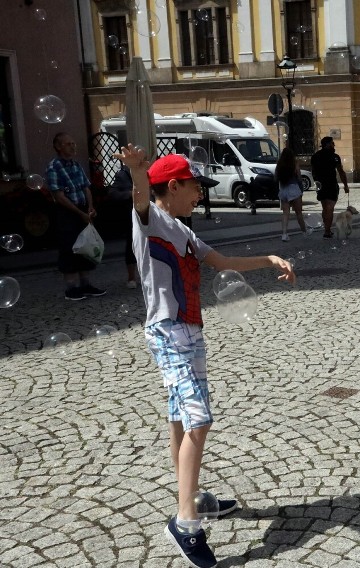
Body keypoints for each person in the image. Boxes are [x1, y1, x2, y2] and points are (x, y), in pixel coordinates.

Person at [114, 145, 295, 568]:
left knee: (180, 415)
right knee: (200, 418)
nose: (200, 195)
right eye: (195, 187)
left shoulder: (185, 231)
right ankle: (185, 522)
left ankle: (191, 494)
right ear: (173, 187)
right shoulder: (151, 219)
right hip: (168, 332)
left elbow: (223, 261)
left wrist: (270, 258)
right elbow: (141, 196)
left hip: (191, 332)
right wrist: (139, 171)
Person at [45, 132, 107, 301]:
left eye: (73, 144)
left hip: (82, 210)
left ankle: (86, 285)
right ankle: (71, 289)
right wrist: (80, 213)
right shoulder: (54, 167)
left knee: (85, 246)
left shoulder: (76, 165)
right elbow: (59, 196)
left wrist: (90, 207)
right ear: (58, 147)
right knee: (69, 248)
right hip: (67, 213)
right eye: (68, 144)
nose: (73, 147)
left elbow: (86, 187)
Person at [310, 136, 349, 238]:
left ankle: (327, 228)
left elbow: (313, 172)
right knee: (330, 208)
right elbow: (341, 172)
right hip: (331, 184)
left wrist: (316, 182)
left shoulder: (315, 156)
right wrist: (345, 185)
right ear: (327, 144)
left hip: (321, 185)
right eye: (332, 143)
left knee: (325, 208)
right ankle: (327, 231)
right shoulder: (335, 157)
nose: (334, 145)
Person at [109, 164, 139, 288]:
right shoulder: (123, 174)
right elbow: (112, 193)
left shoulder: (146, 171)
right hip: (131, 214)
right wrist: (129, 194)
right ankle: (131, 277)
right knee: (132, 245)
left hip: (147, 212)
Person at [275, 148, 307, 241]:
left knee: (285, 213)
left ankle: (284, 234)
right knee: (298, 213)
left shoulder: (279, 164)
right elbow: (299, 178)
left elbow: (276, 178)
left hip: (283, 189)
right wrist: (301, 190)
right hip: (294, 188)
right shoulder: (294, 163)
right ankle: (304, 232)